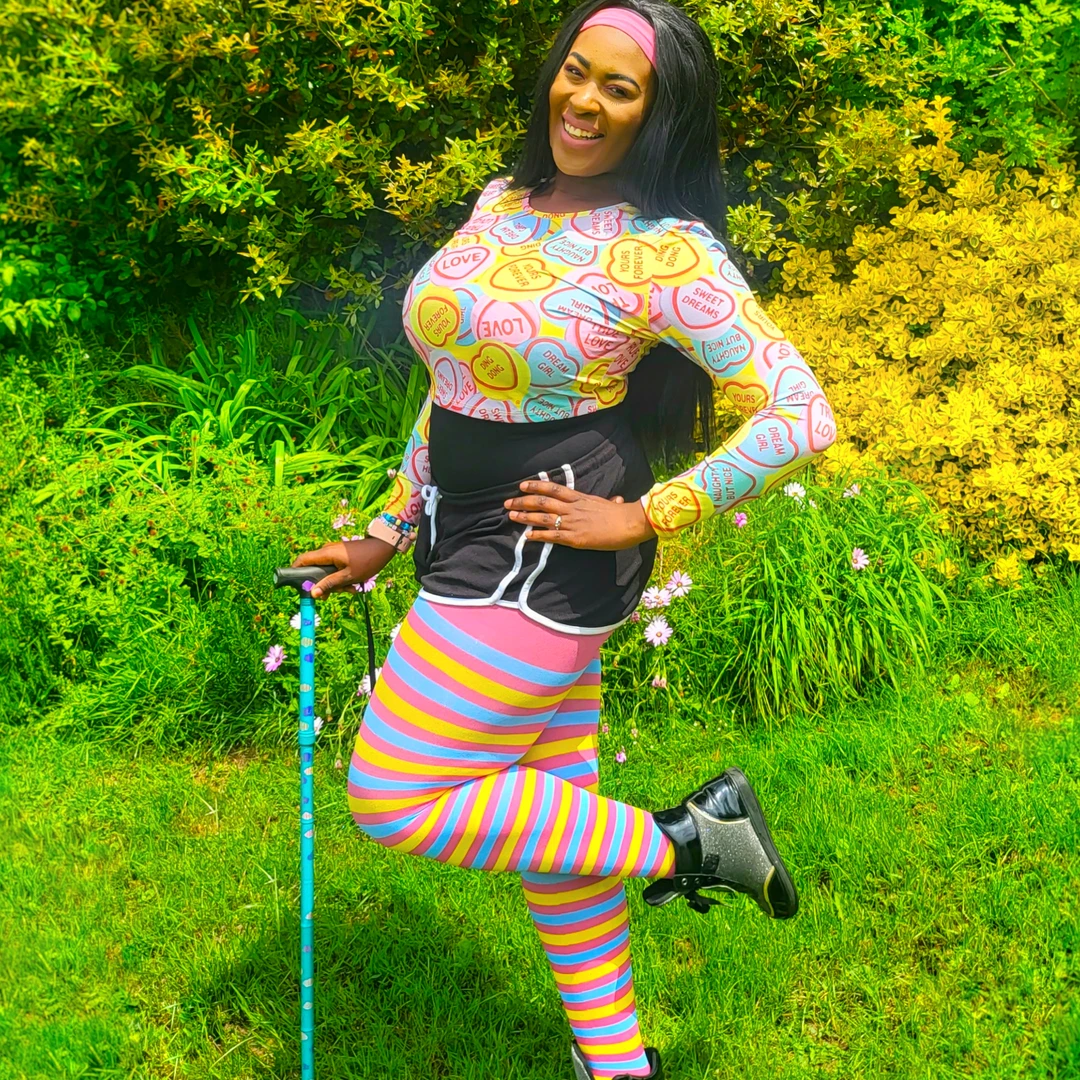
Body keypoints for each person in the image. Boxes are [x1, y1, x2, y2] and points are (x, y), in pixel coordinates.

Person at [292, 1, 837, 1075]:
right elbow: (454, 387)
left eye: (619, 88)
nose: (584, 100)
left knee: (394, 793)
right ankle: (619, 1065)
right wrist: (388, 530)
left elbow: (800, 413)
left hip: (545, 548)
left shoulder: (664, 250)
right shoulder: (503, 199)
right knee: (558, 821)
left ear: (659, 113)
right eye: (576, 72)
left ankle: (694, 840)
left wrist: (650, 513)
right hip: (466, 530)